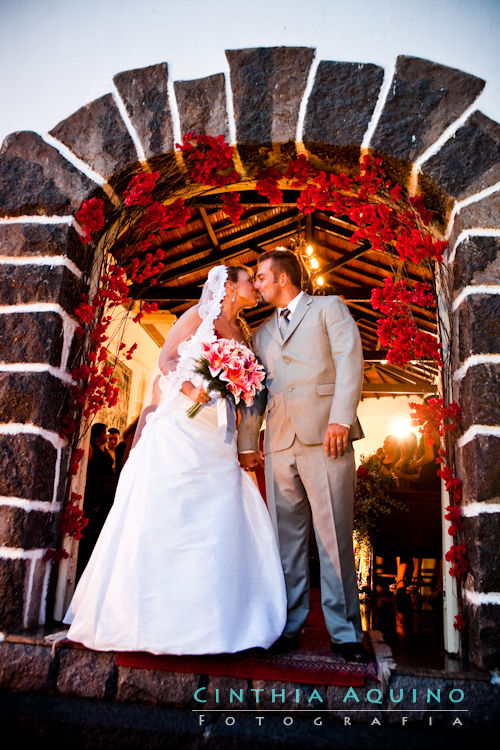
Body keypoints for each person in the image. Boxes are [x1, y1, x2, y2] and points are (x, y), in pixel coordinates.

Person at [64, 265, 287, 655]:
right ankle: (149, 618)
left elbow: (245, 386)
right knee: (169, 513)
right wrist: (191, 389)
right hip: (183, 426)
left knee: (218, 515)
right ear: (231, 287)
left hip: (219, 435)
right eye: (251, 280)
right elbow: (167, 360)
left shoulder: (245, 332)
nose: (256, 286)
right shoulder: (200, 315)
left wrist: (238, 386)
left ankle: (220, 618)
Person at [238, 248, 368, 662]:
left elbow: (351, 362)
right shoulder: (259, 334)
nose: (256, 283)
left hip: (327, 438)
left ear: (282, 279)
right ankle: (288, 625)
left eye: (260, 276)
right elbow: (256, 394)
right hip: (278, 444)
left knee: (333, 539)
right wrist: (247, 443)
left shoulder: (330, 307)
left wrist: (340, 420)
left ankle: (345, 632)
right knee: (285, 543)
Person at [76, 423, 116, 580]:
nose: (106, 436)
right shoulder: (91, 448)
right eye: (105, 432)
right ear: (97, 433)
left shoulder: (106, 450)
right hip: (95, 490)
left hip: (105, 492)